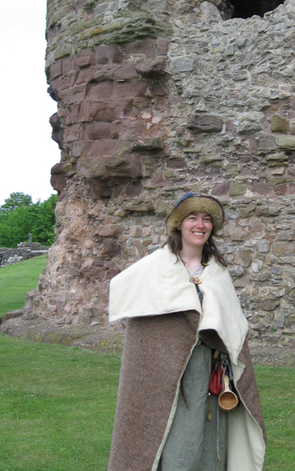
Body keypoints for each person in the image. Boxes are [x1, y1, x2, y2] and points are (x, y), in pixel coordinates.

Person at [107, 193, 266, 471]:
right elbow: (132, 308)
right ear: (179, 225)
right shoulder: (156, 268)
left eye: (206, 220)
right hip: (162, 376)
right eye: (192, 218)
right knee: (174, 446)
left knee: (207, 446)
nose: (200, 225)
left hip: (207, 374)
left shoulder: (217, 272)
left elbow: (232, 328)